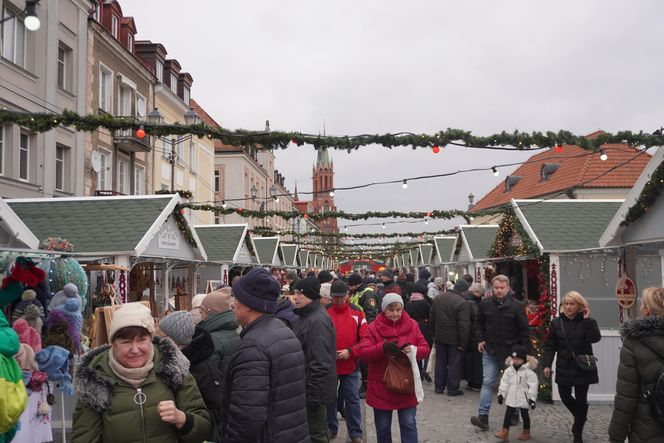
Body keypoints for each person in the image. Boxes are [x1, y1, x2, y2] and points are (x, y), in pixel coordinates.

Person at [73, 302, 211, 442]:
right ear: (113, 344)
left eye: (141, 340)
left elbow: (204, 429)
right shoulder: (95, 380)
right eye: (126, 342)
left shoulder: (173, 369)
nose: (135, 349)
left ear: (151, 339)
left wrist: (182, 419)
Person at [219, 266, 309, 442]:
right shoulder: (284, 331)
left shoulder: (254, 347)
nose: (232, 304)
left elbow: (247, 416)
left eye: (236, 299)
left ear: (248, 305)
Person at [359, 293, 430, 443]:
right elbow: (364, 354)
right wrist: (382, 348)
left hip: (406, 384)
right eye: (391, 310)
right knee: (383, 427)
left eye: (398, 309)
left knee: (409, 423)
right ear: (384, 310)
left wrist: (414, 350)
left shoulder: (412, 325)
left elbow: (425, 349)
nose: (395, 313)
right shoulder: (373, 328)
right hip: (381, 386)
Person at [471, 274, 530, 431]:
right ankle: (483, 417)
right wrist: (480, 339)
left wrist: (523, 352)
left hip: (511, 352)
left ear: (508, 288)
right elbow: (478, 323)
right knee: (488, 382)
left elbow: (524, 329)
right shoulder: (485, 304)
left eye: (502, 288)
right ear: (492, 288)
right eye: (496, 287)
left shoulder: (517, 306)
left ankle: (515, 413)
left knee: (513, 384)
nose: (499, 290)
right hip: (490, 350)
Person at [543, 290, 601, 443]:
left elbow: (595, 338)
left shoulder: (587, 322)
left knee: (581, 401)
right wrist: (547, 365)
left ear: (579, 305)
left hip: (582, 366)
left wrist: (588, 320)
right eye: (566, 304)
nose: (568, 307)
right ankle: (581, 417)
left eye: (572, 304)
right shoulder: (556, 323)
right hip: (564, 365)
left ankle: (577, 432)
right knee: (565, 396)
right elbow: (550, 346)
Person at [609, 287, 664, 443]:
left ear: (647, 309)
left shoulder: (634, 343)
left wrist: (616, 437)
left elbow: (626, 397)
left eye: (642, 304)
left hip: (647, 429)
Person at [158, 310, 223, 438]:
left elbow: (217, 411)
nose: (156, 341)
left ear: (177, 340)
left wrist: (185, 419)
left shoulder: (203, 368)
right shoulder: (169, 361)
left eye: (162, 337)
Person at [293, 276, 337, 443]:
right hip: (307, 387)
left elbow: (321, 362)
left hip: (313, 391)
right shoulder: (306, 316)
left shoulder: (317, 321)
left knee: (316, 434)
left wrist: (313, 395)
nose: (295, 297)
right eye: (295, 293)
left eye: (299, 294)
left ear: (310, 296)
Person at [326, 280, 367, 443]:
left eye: (341, 297)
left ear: (347, 295)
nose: (338, 301)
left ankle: (355, 432)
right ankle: (331, 427)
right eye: (335, 298)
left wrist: (350, 352)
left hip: (350, 364)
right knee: (330, 398)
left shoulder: (357, 313)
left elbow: (365, 340)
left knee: (352, 399)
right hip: (330, 364)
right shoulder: (325, 312)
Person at [430, 278, 470, 396]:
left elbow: (432, 317)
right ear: (464, 290)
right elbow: (464, 325)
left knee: (440, 362)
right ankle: (452, 389)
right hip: (455, 339)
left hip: (440, 336)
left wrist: (434, 335)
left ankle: (439, 387)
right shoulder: (462, 302)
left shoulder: (439, 297)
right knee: (454, 364)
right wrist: (463, 344)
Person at [494, 344, 538, 442]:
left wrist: (532, 399)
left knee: (524, 414)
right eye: (514, 358)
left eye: (518, 359)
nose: (516, 361)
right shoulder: (509, 371)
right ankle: (504, 432)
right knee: (508, 413)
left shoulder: (529, 372)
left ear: (524, 359)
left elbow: (533, 386)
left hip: (524, 397)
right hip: (512, 397)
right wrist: (501, 394)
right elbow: (504, 382)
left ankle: (526, 431)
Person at [198, 287, 241, 378]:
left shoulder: (211, 340)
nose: (200, 315)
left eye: (202, 311)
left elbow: (207, 377)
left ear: (211, 312)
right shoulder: (234, 333)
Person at [404, 282, 433, 382]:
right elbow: (430, 315)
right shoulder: (424, 303)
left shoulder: (408, 303)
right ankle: (426, 368)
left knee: (415, 348)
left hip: (411, 327)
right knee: (426, 347)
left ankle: (418, 371)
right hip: (424, 327)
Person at [463, 283, 484, 391]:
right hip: (474, 335)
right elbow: (477, 318)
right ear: (477, 292)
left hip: (467, 334)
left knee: (470, 359)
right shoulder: (473, 302)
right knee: (476, 360)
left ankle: (470, 381)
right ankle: (476, 382)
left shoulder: (465, 300)